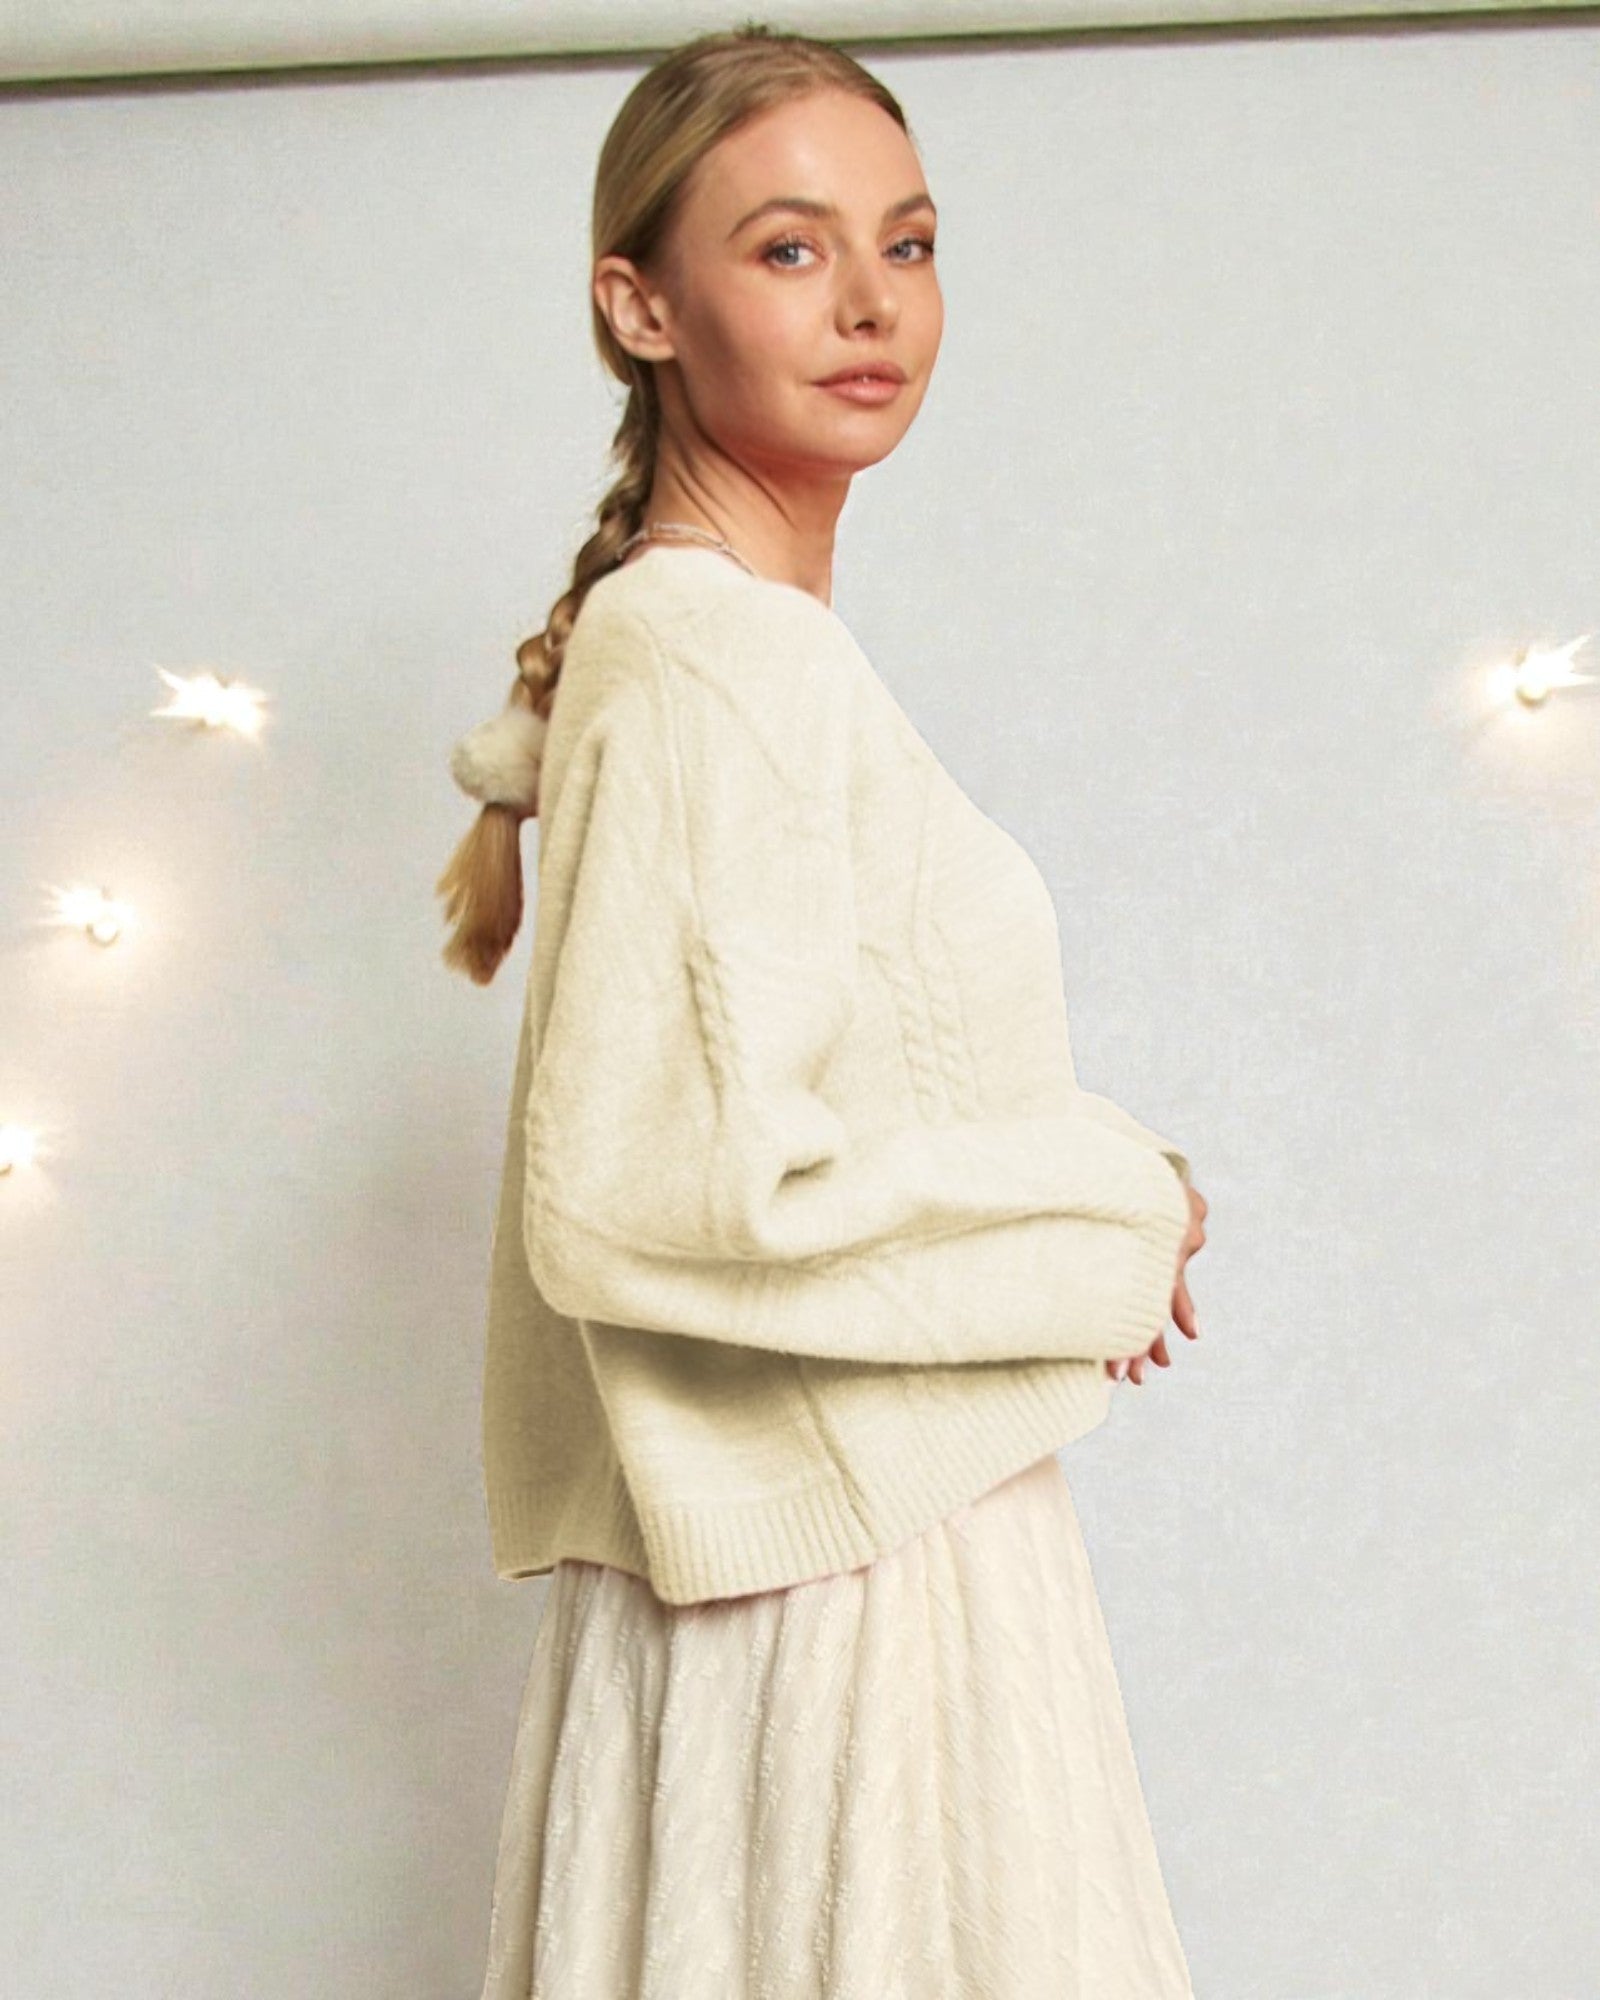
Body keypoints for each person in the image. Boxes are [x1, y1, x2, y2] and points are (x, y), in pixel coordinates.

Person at [437, 23, 1208, 1998]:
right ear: (641, 305)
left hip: (848, 1552)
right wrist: (1102, 1203)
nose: (870, 303)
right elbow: (654, 1193)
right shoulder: (711, 661)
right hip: (834, 1603)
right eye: (786, 250)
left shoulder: (715, 646)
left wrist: (1075, 1208)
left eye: (908, 240)